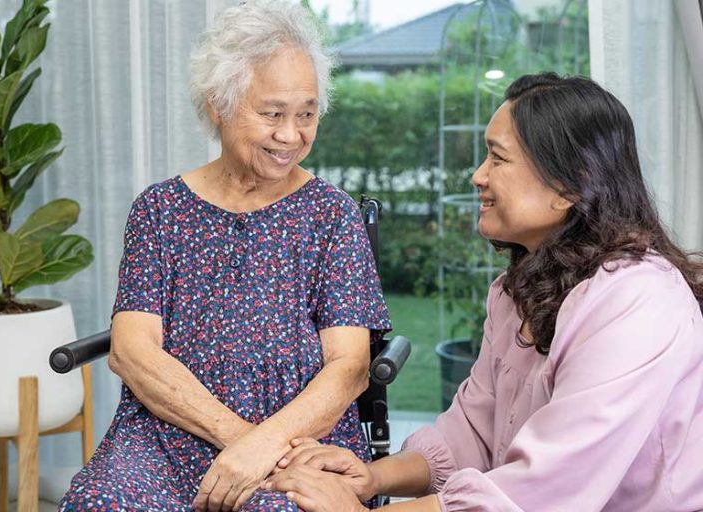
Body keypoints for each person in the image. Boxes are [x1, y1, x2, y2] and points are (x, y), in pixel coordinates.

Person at [265, 73, 703, 511]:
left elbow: (544, 489)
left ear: (570, 185)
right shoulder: (515, 293)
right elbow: (470, 433)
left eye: (498, 158)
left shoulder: (637, 300)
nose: (478, 176)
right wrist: (370, 477)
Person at [58, 1, 390, 511]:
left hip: (299, 436)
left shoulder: (332, 215)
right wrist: (241, 440)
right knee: (101, 500)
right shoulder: (160, 210)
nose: (291, 135)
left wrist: (267, 446)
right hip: (168, 433)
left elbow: (348, 367)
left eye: (307, 113)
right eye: (273, 114)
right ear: (218, 104)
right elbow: (132, 352)